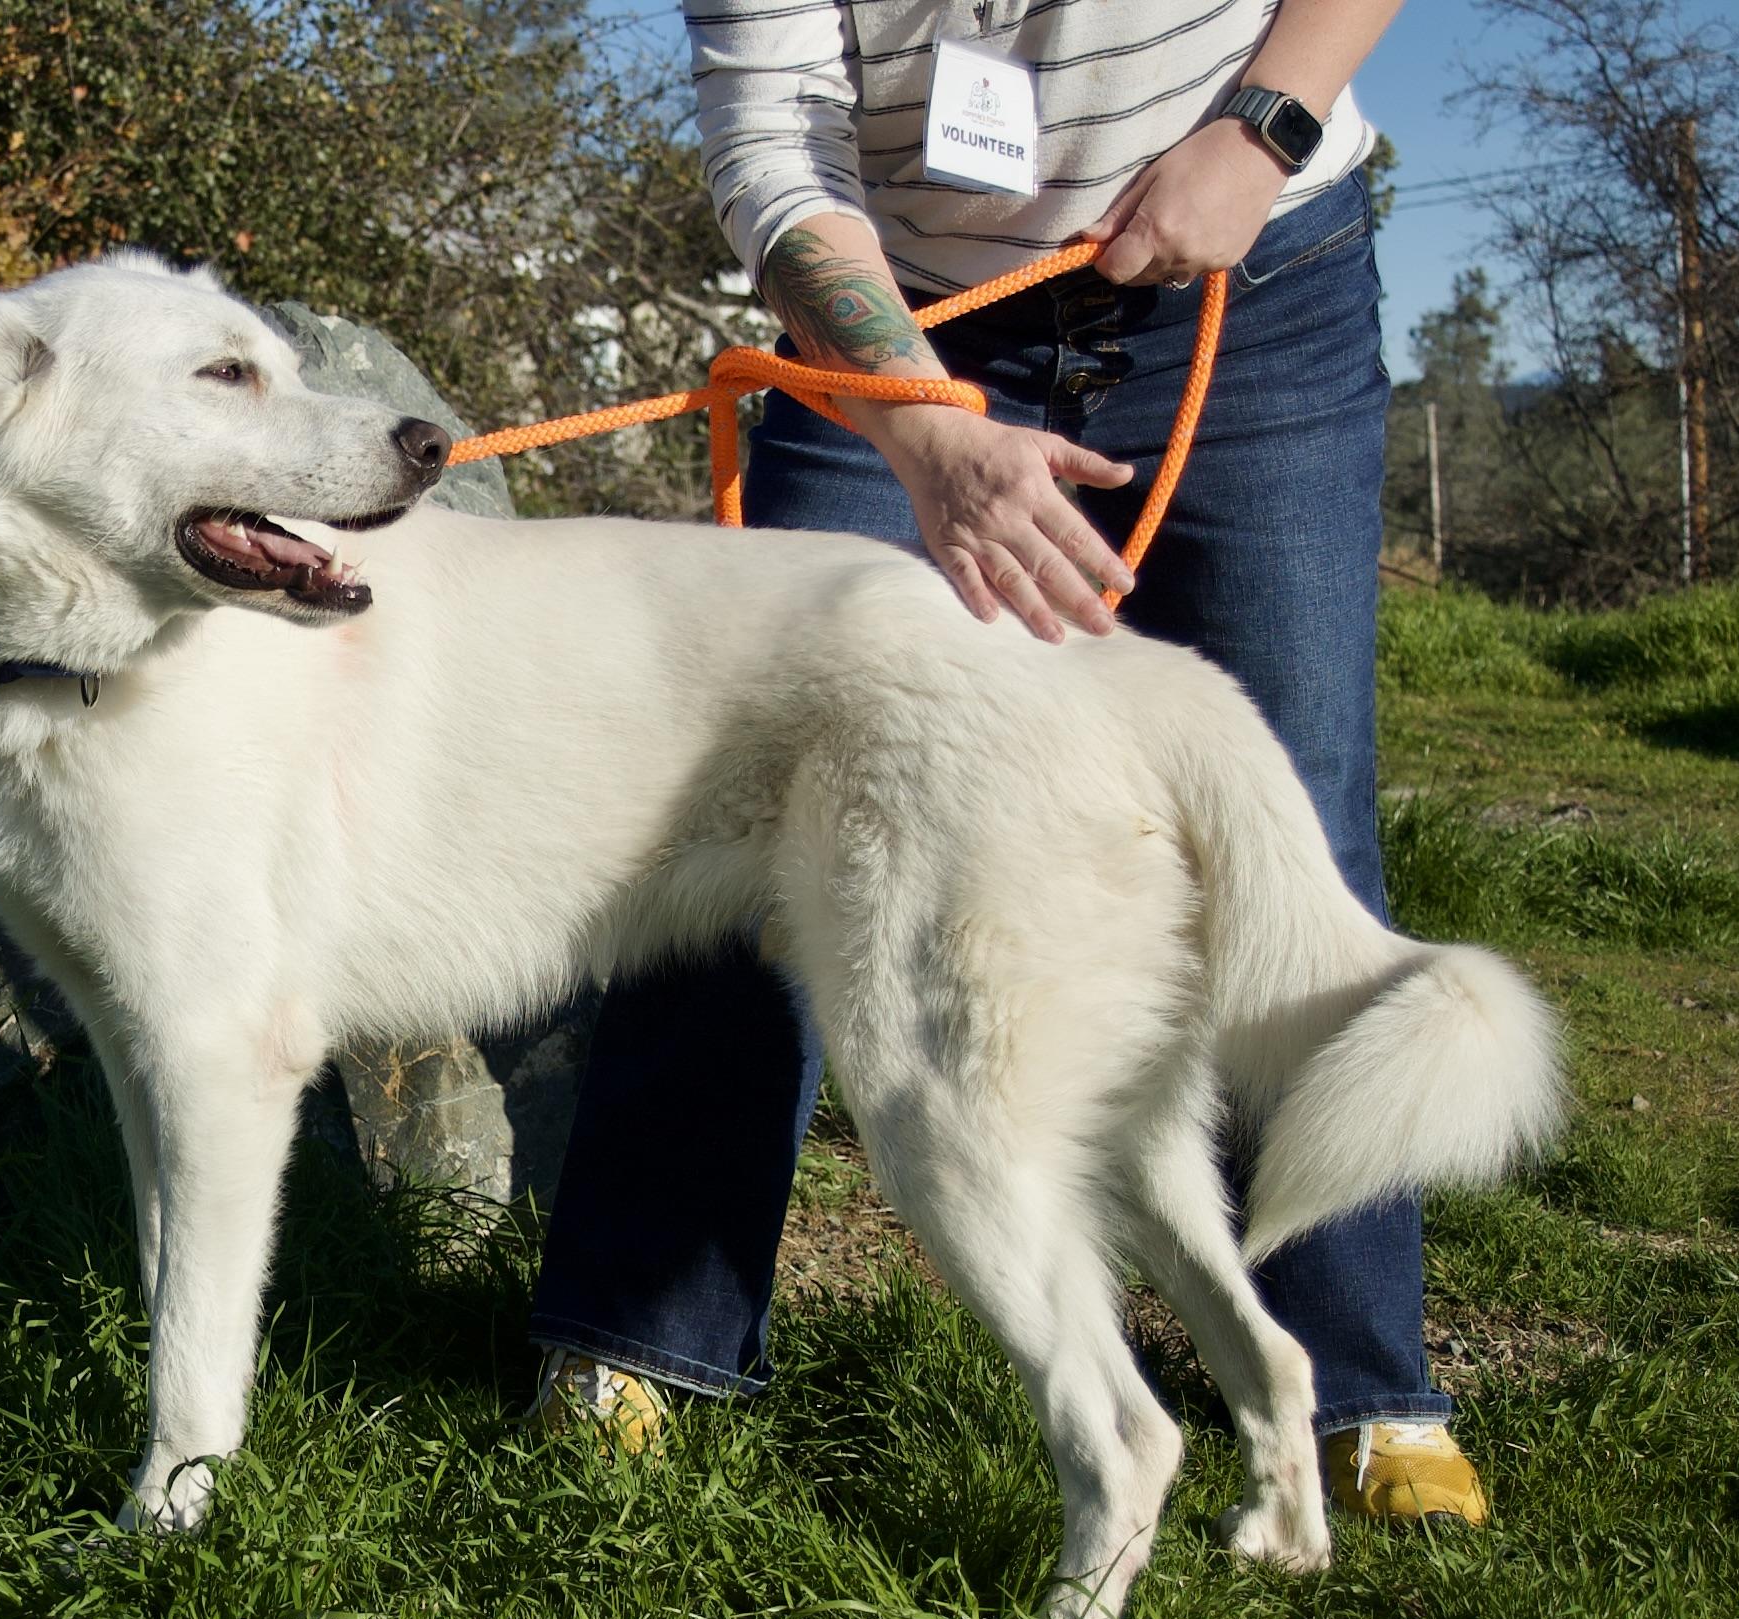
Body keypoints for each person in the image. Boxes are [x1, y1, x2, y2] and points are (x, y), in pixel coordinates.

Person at [528, 0, 1488, 1525]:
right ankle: (638, 1331)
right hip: (899, 315)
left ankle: (1358, 1380)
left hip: (1256, 261)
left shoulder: (1264, 167)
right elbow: (773, 141)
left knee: (1296, 789)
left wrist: (1264, 128)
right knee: (730, 772)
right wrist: (919, 422)